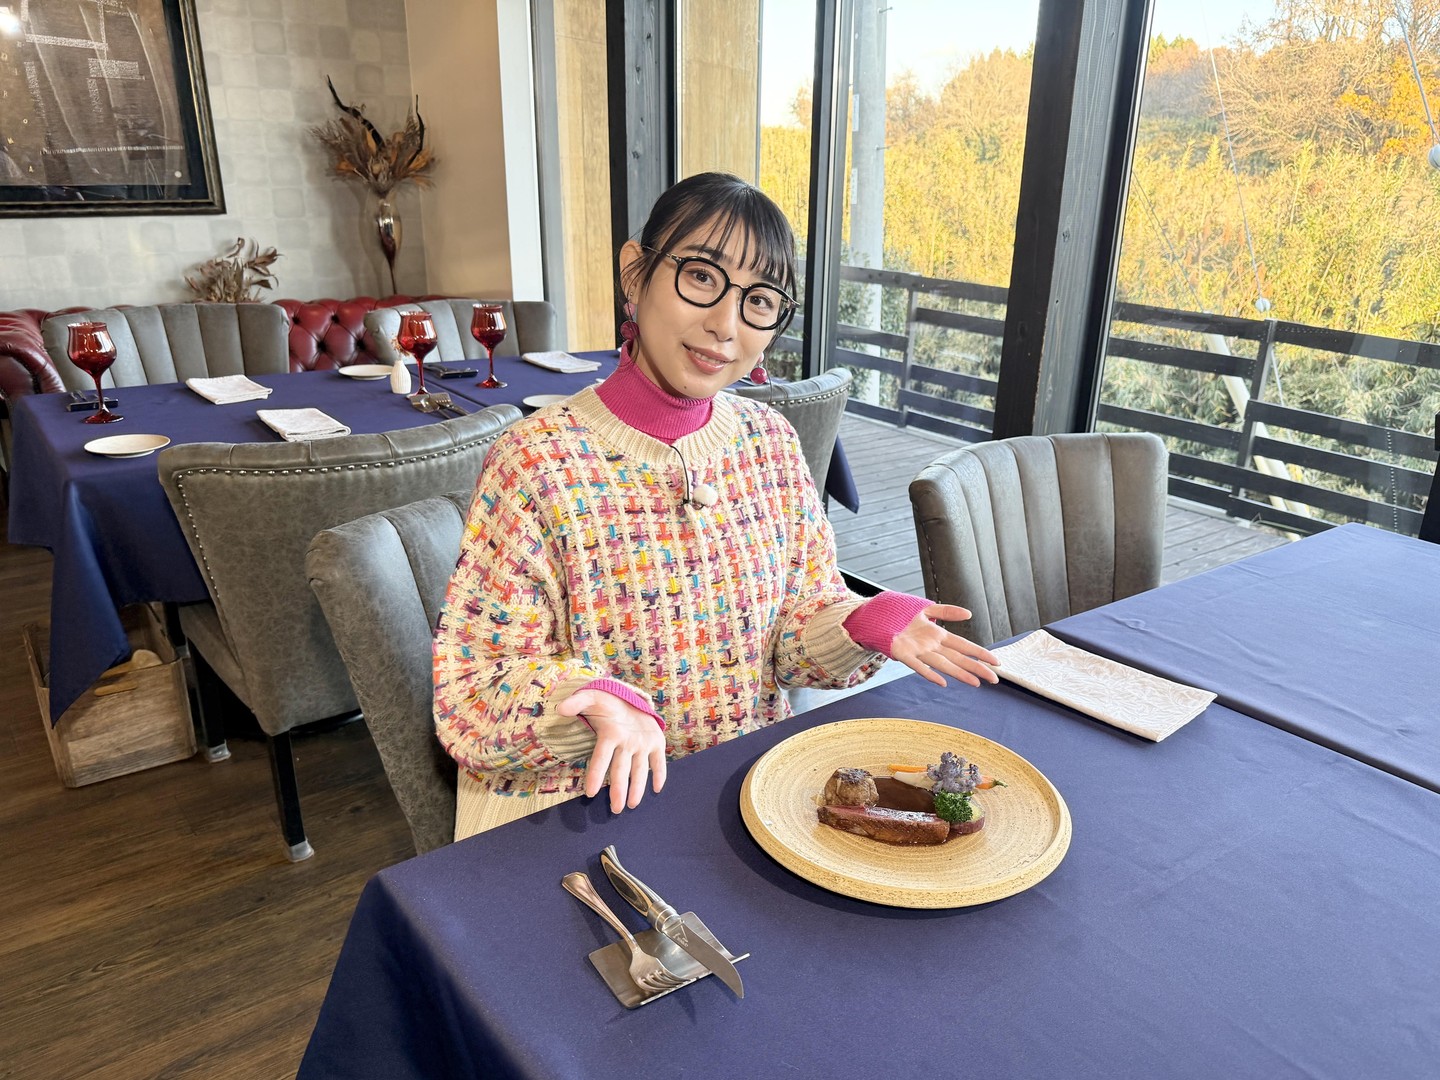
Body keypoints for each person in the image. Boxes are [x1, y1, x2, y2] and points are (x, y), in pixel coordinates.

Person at [433, 172, 999, 840]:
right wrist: (591, 701)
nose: (725, 325)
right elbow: (472, 691)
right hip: (576, 817)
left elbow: (791, 641)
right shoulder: (534, 462)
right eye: (701, 276)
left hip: (746, 800)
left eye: (759, 300)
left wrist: (859, 622)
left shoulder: (770, 442)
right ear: (635, 272)